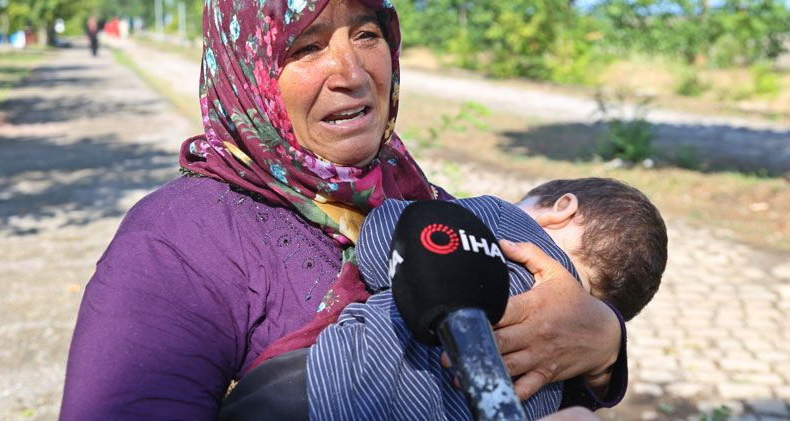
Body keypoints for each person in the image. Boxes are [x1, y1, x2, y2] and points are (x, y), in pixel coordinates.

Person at [60, 0, 626, 420]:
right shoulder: (176, 243)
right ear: (247, 72)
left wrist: (603, 342)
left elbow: (542, 373)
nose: (351, 72)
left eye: (366, 34)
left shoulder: (422, 202)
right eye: (305, 47)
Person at [220, 178, 667, 420]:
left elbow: (386, 244)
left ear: (562, 206)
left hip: (330, 390)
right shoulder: (564, 365)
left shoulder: (502, 221)